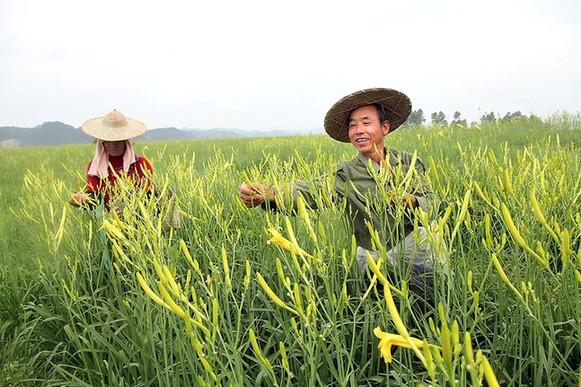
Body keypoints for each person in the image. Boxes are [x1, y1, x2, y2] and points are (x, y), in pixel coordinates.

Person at [239, 88, 437, 288]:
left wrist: (411, 201)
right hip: (376, 261)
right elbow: (309, 190)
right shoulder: (345, 174)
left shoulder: (409, 163)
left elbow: (432, 203)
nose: (358, 130)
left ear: (384, 127)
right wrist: (270, 194)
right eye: (353, 126)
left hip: (417, 252)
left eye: (366, 123)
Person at [70, 109, 153, 212]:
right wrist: (81, 199)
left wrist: (129, 208)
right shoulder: (95, 167)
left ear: (125, 141)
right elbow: (95, 200)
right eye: (108, 141)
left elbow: (151, 195)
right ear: (101, 142)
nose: (112, 145)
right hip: (110, 221)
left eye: (117, 141)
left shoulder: (141, 163)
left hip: (141, 219)